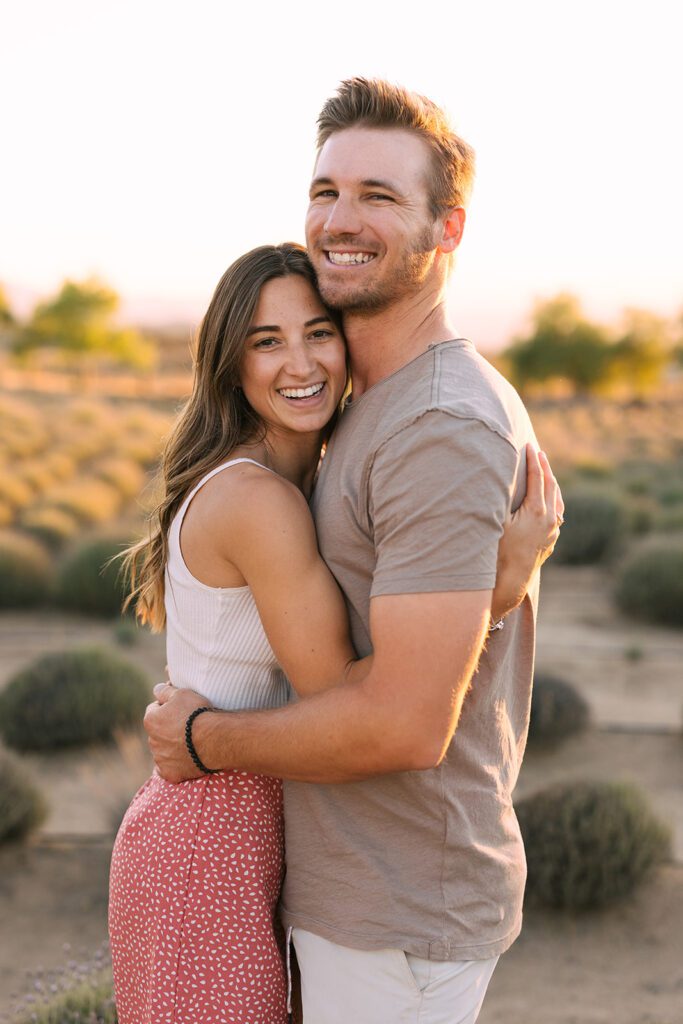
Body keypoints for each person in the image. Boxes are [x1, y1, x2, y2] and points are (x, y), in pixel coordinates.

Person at [143, 79, 564, 1024]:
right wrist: (493, 594)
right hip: (338, 880)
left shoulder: (436, 426)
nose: (341, 217)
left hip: (398, 901)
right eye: (326, 190)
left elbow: (402, 724)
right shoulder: (363, 411)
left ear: (446, 230)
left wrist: (203, 740)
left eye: (379, 195)